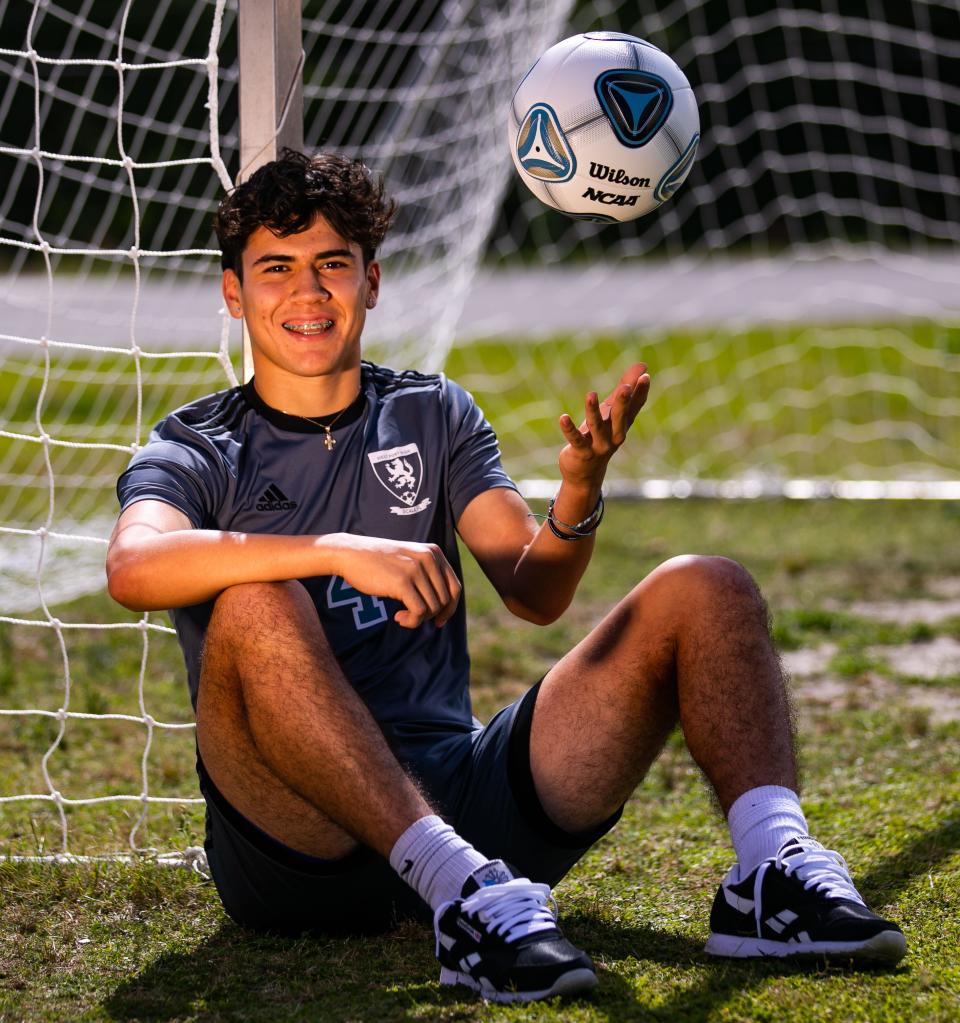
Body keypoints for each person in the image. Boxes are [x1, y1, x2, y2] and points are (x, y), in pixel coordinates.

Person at [106, 150, 905, 1004]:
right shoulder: (198, 443)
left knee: (708, 585)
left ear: (370, 282)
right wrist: (336, 549)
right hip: (297, 841)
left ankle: (771, 873)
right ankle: (460, 892)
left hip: (463, 795)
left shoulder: (431, 412)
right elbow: (133, 564)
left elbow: (535, 590)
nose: (308, 292)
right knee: (255, 602)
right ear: (235, 294)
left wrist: (577, 496)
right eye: (276, 269)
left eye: (331, 264)